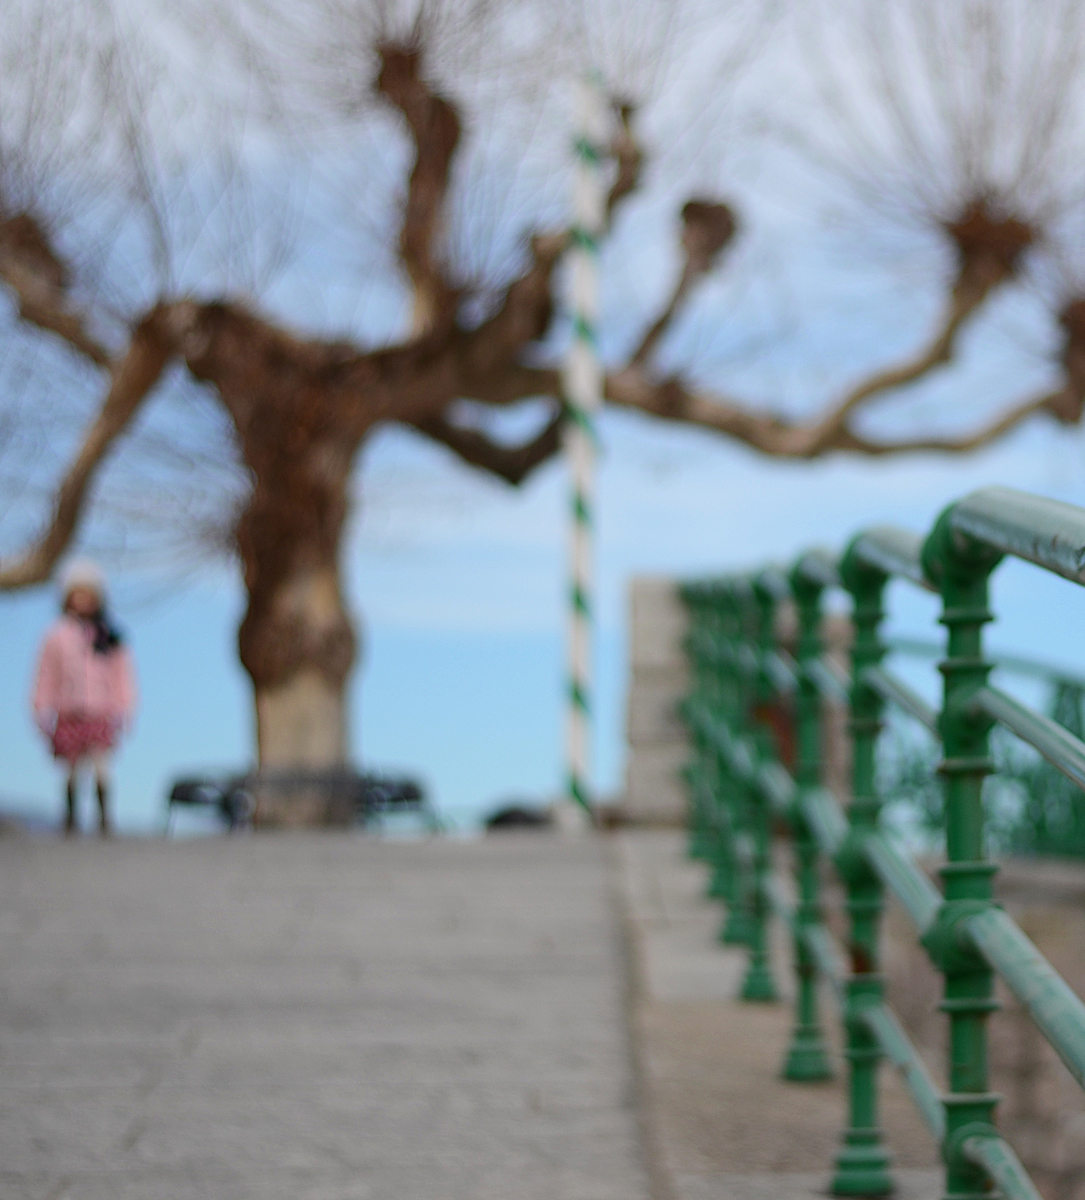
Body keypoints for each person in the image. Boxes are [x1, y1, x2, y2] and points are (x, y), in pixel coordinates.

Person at [31, 560, 137, 835]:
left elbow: (122, 676)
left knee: (102, 766)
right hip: (70, 712)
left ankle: (104, 818)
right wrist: (41, 708)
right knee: (72, 769)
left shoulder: (109, 636)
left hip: (101, 711)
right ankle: (71, 817)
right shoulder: (55, 636)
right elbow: (45, 675)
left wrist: (126, 709)